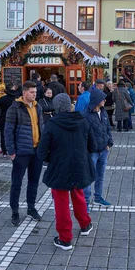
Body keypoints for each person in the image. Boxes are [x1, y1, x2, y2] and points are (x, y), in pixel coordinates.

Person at [38, 93, 96, 251]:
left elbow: (42, 152)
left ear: (56, 107)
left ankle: (65, 238)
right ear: (70, 105)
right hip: (79, 165)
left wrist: (53, 158)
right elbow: (92, 145)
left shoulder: (52, 124)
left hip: (60, 168)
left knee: (61, 202)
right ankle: (85, 225)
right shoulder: (82, 120)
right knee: (79, 196)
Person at [5, 81, 44, 227]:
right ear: (24, 92)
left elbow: (42, 127)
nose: (35, 94)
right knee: (17, 182)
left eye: (35, 92)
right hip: (21, 151)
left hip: (36, 151)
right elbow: (8, 131)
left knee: (34, 181)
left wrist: (43, 147)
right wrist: (12, 151)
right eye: (32, 92)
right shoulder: (15, 108)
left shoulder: (37, 106)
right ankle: (15, 211)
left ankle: (31, 207)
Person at [81, 88, 113, 211]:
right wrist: (90, 148)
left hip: (104, 150)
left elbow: (107, 129)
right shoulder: (85, 115)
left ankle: (98, 197)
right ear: (96, 100)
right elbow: (84, 135)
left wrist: (110, 143)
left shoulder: (103, 112)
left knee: (101, 175)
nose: (105, 100)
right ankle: (86, 203)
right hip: (92, 152)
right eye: (102, 98)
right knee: (89, 177)